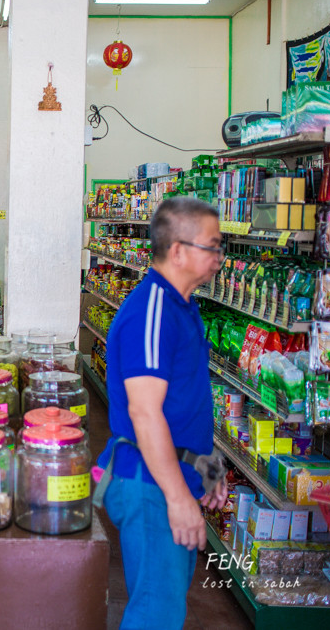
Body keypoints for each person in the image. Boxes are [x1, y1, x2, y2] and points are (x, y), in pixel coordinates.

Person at [96, 197, 228, 630]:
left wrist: (206, 468)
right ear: (178, 250)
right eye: (212, 246)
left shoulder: (182, 307)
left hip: (171, 478)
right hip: (151, 488)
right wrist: (176, 498)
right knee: (156, 614)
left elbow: (183, 402)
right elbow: (145, 413)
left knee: (165, 606)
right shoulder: (151, 312)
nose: (219, 259)